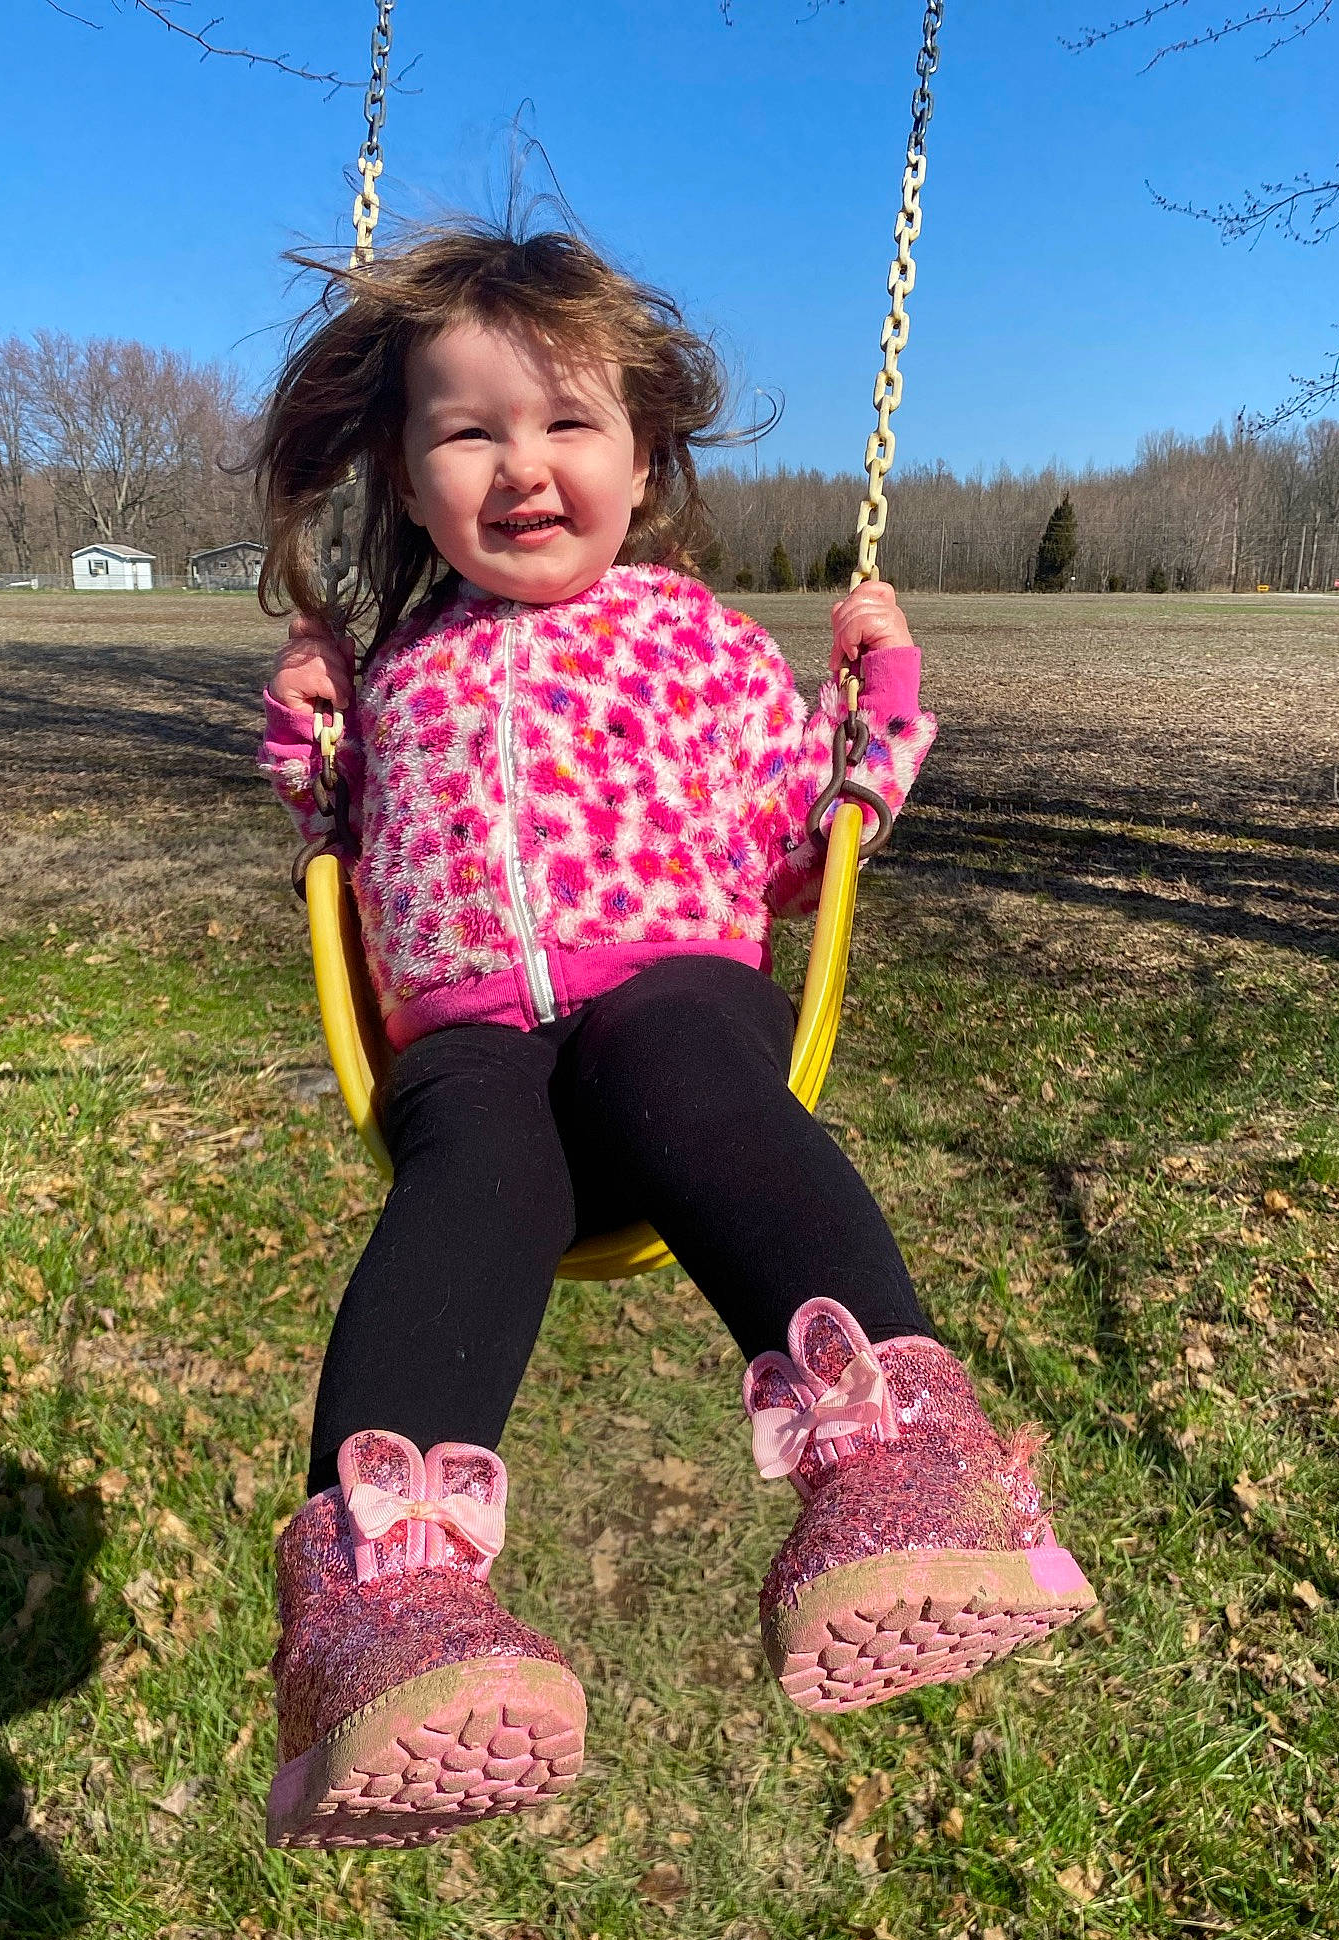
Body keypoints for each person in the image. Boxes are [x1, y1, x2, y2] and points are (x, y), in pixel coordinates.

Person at [254, 222, 1095, 1851]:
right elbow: (338, 840)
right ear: (406, 475)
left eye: (568, 422)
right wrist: (311, 725)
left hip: (674, 997)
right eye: (469, 431)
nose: (523, 465)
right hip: (471, 1047)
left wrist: (876, 709)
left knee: (679, 1065)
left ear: (641, 459)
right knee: (466, 1177)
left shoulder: (695, 639)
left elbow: (801, 837)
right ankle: (385, 1617)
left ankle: (906, 1469)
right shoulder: (399, 670)